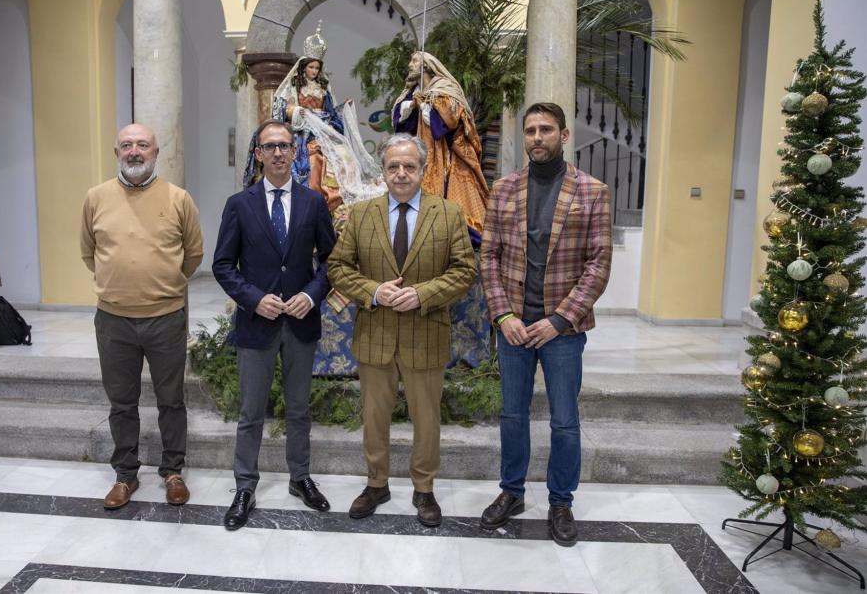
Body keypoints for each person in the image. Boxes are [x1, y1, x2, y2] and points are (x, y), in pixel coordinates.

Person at [479, 102, 612, 546]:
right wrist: (503, 316)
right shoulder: (503, 189)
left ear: (564, 135)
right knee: (513, 416)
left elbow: (598, 265)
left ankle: (560, 502)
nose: (537, 137)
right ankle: (511, 493)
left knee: (564, 422)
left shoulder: (592, 191)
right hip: (514, 328)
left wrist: (558, 320)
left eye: (546, 130)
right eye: (531, 130)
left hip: (563, 332)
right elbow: (489, 258)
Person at [328, 133, 476, 527]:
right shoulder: (360, 214)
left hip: (425, 332)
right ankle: (376, 483)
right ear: (383, 170)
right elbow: (338, 268)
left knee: (426, 419)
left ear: (423, 170)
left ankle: (424, 488)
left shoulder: (448, 213)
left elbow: (465, 270)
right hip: (374, 334)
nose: (401, 173)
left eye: (409, 166)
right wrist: (374, 291)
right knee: (374, 417)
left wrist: (423, 294)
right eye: (393, 166)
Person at [213, 119, 337, 531]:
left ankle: (300, 478)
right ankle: (245, 485)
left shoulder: (313, 202)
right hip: (258, 323)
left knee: (299, 409)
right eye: (270, 146)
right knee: (251, 412)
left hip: (301, 322)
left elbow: (331, 262)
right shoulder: (239, 204)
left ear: (296, 152)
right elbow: (223, 265)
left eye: (285, 145)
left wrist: (311, 294)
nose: (279, 153)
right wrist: (253, 298)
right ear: (259, 154)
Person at [80, 123, 203, 510]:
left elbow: (194, 253)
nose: (135, 151)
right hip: (113, 320)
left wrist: (164, 283)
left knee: (171, 400)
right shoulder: (96, 198)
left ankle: (173, 471)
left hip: (165, 317)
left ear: (155, 152)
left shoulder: (178, 198)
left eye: (143, 145)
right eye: (127, 145)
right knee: (122, 402)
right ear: (116, 152)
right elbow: (88, 252)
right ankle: (125, 475)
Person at [246, 22, 384, 227]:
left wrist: (343, 108)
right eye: (311, 67)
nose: (314, 70)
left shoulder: (323, 88)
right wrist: (296, 112)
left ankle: (334, 200)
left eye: (317, 67)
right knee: (312, 157)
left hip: (323, 127)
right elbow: (280, 109)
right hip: (302, 130)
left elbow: (331, 113)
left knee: (342, 154)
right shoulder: (294, 85)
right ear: (304, 66)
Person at [391, 51, 489, 239]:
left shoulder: (445, 88)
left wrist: (425, 106)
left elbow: (447, 123)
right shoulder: (411, 92)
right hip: (418, 154)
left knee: (453, 201)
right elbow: (399, 120)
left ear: (426, 66)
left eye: (414, 61)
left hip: (446, 155)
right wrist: (412, 105)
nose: (410, 65)